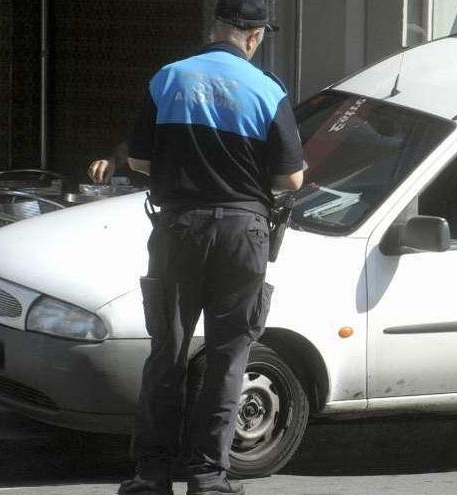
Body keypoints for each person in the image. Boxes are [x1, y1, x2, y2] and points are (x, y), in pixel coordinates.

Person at [88, 1, 304, 493]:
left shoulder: (169, 79)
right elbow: (291, 175)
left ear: (216, 29)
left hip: (179, 230)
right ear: (252, 37)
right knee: (229, 357)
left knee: (167, 352)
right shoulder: (267, 90)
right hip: (243, 235)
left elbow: (139, 161)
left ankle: (151, 474)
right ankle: (208, 477)